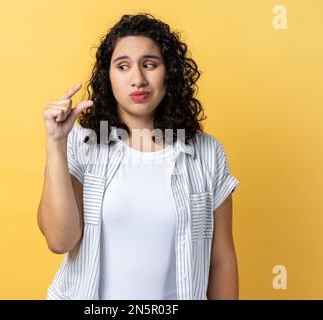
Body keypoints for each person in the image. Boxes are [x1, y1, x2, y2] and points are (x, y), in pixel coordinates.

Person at [37, 13, 239, 300]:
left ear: (168, 72)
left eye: (149, 64)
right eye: (123, 66)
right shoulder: (81, 145)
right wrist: (56, 142)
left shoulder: (207, 153)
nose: (138, 79)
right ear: (108, 77)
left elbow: (221, 260)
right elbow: (59, 240)